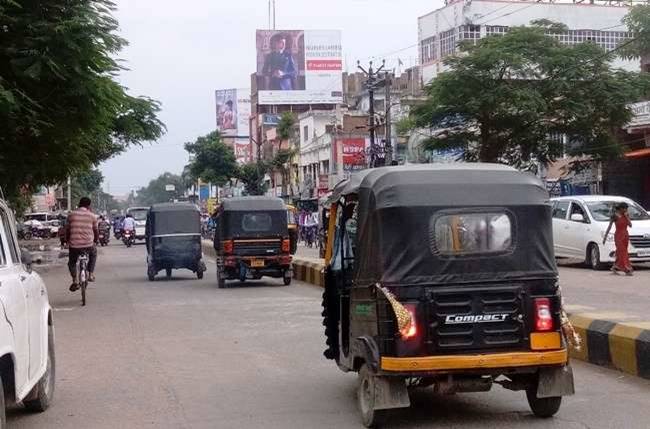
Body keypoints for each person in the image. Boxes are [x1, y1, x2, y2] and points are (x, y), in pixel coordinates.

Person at [66, 197, 99, 291]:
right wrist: (95, 241)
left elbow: (67, 230)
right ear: (89, 205)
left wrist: (67, 240)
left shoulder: (71, 215)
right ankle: (91, 274)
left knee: (72, 262)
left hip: (74, 245)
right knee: (93, 254)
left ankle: (75, 281)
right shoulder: (92, 216)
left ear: (79, 204)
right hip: (88, 244)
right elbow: (96, 231)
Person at [603, 202, 633, 276]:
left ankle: (615, 267)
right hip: (618, 236)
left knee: (622, 252)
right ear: (621, 209)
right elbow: (609, 226)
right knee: (622, 251)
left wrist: (627, 217)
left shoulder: (626, 215)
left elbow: (630, 225)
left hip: (625, 235)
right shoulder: (615, 216)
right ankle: (626, 269)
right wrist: (605, 237)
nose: (626, 210)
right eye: (625, 209)